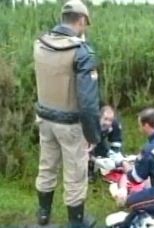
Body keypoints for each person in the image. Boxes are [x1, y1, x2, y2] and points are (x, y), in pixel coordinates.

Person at [33, 0, 100, 226]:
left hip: (44, 118)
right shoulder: (81, 52)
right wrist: (92, 135)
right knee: (75, 173)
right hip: (70, 125)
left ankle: (43, 213)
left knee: (47, 166)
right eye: (85, 24)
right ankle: (76, 222)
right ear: (81, 21)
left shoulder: (40, 44)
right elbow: (89, 103)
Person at [88, 105, 123, 182]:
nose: (107, 123)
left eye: (110, 120)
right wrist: (94, 160)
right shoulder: (90, 125)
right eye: (105, 119)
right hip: (85, 140)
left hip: (99, 140)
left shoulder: (114, 124)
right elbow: (82, 148)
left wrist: (118, 161)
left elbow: (116, 143)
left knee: (107, 158)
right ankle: (88, 171)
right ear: (99, 117)